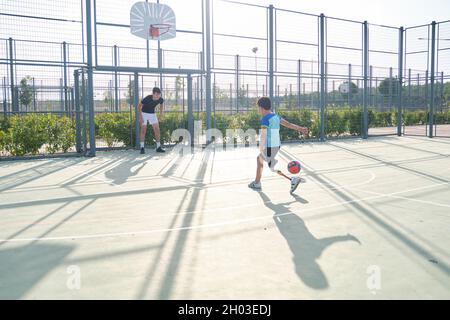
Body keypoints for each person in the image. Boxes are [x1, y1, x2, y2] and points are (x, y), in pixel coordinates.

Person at [248, 97, 309, 194]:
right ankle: (257, 182)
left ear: (262, 108)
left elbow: (263, 134)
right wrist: (300, 128)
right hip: (276, 145)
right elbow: (288, 124)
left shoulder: (265, 119)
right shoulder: (275, 116)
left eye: (258, 108)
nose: (258, 110)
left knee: (265, 163)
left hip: (271, 146)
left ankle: (292, 180)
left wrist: (261, 146)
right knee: (265, 163)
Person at [138, 87, 165, 154]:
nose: (157, 97)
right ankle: (142, 148)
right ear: (153, 94)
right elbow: (139, 106)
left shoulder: (160, 99)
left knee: (157, 130)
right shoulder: (147, 98)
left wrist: (160, 115)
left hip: (152, 114)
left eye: (159, 95)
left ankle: (158, 147)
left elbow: (161, 105)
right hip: (144, 113)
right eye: (156, 95)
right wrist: (140, 116)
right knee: (143, 130)